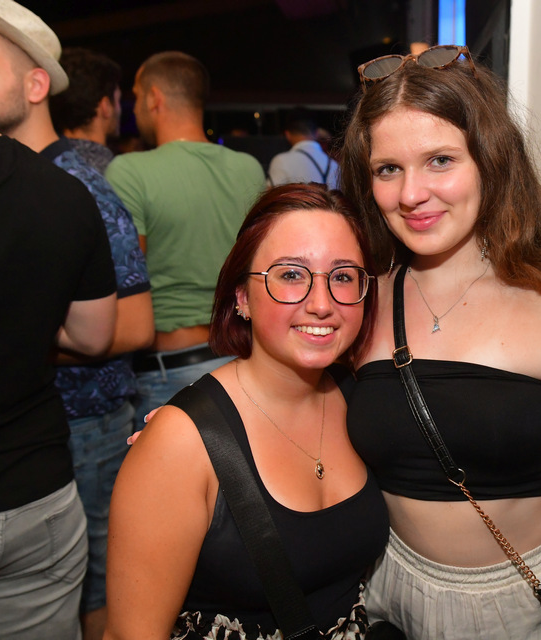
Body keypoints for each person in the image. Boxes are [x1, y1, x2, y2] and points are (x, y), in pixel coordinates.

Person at [339, 45, 541, 638]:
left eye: (440, 160)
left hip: (519, 606)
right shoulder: (360, 300)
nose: (411, 193)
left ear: (490, 160)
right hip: (383, 594)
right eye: (388, 169)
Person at [104, 184, 390, 640]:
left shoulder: (359, 397)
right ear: (241, 297)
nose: (322, 303)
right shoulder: (181, 442)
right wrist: (173, 444)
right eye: (291, 274)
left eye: (342, 277)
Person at [0, 4, 153, 637]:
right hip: (38, 441)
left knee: (98, 589)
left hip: (84, 425)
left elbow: (134, 324)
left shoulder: (78, 183)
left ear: (35, 84)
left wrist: (12, 335)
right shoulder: (15, 178)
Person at [105, 51, 266, 427]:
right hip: (241, 359)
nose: (134, 110)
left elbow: (125, 282)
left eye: (136, 97)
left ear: (153, 98)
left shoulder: (128, 171)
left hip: (169, 372)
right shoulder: (248, 168)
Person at [49, 47, 123, 175]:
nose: (119, 109)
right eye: (118, 100)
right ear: (105, 107)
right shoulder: (117, 173)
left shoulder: (42, 165)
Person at [268, 106, 340, 189]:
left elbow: (271, 195)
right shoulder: (334, 165)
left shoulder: (281, 161)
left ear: (287, 134)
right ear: (317, 133)